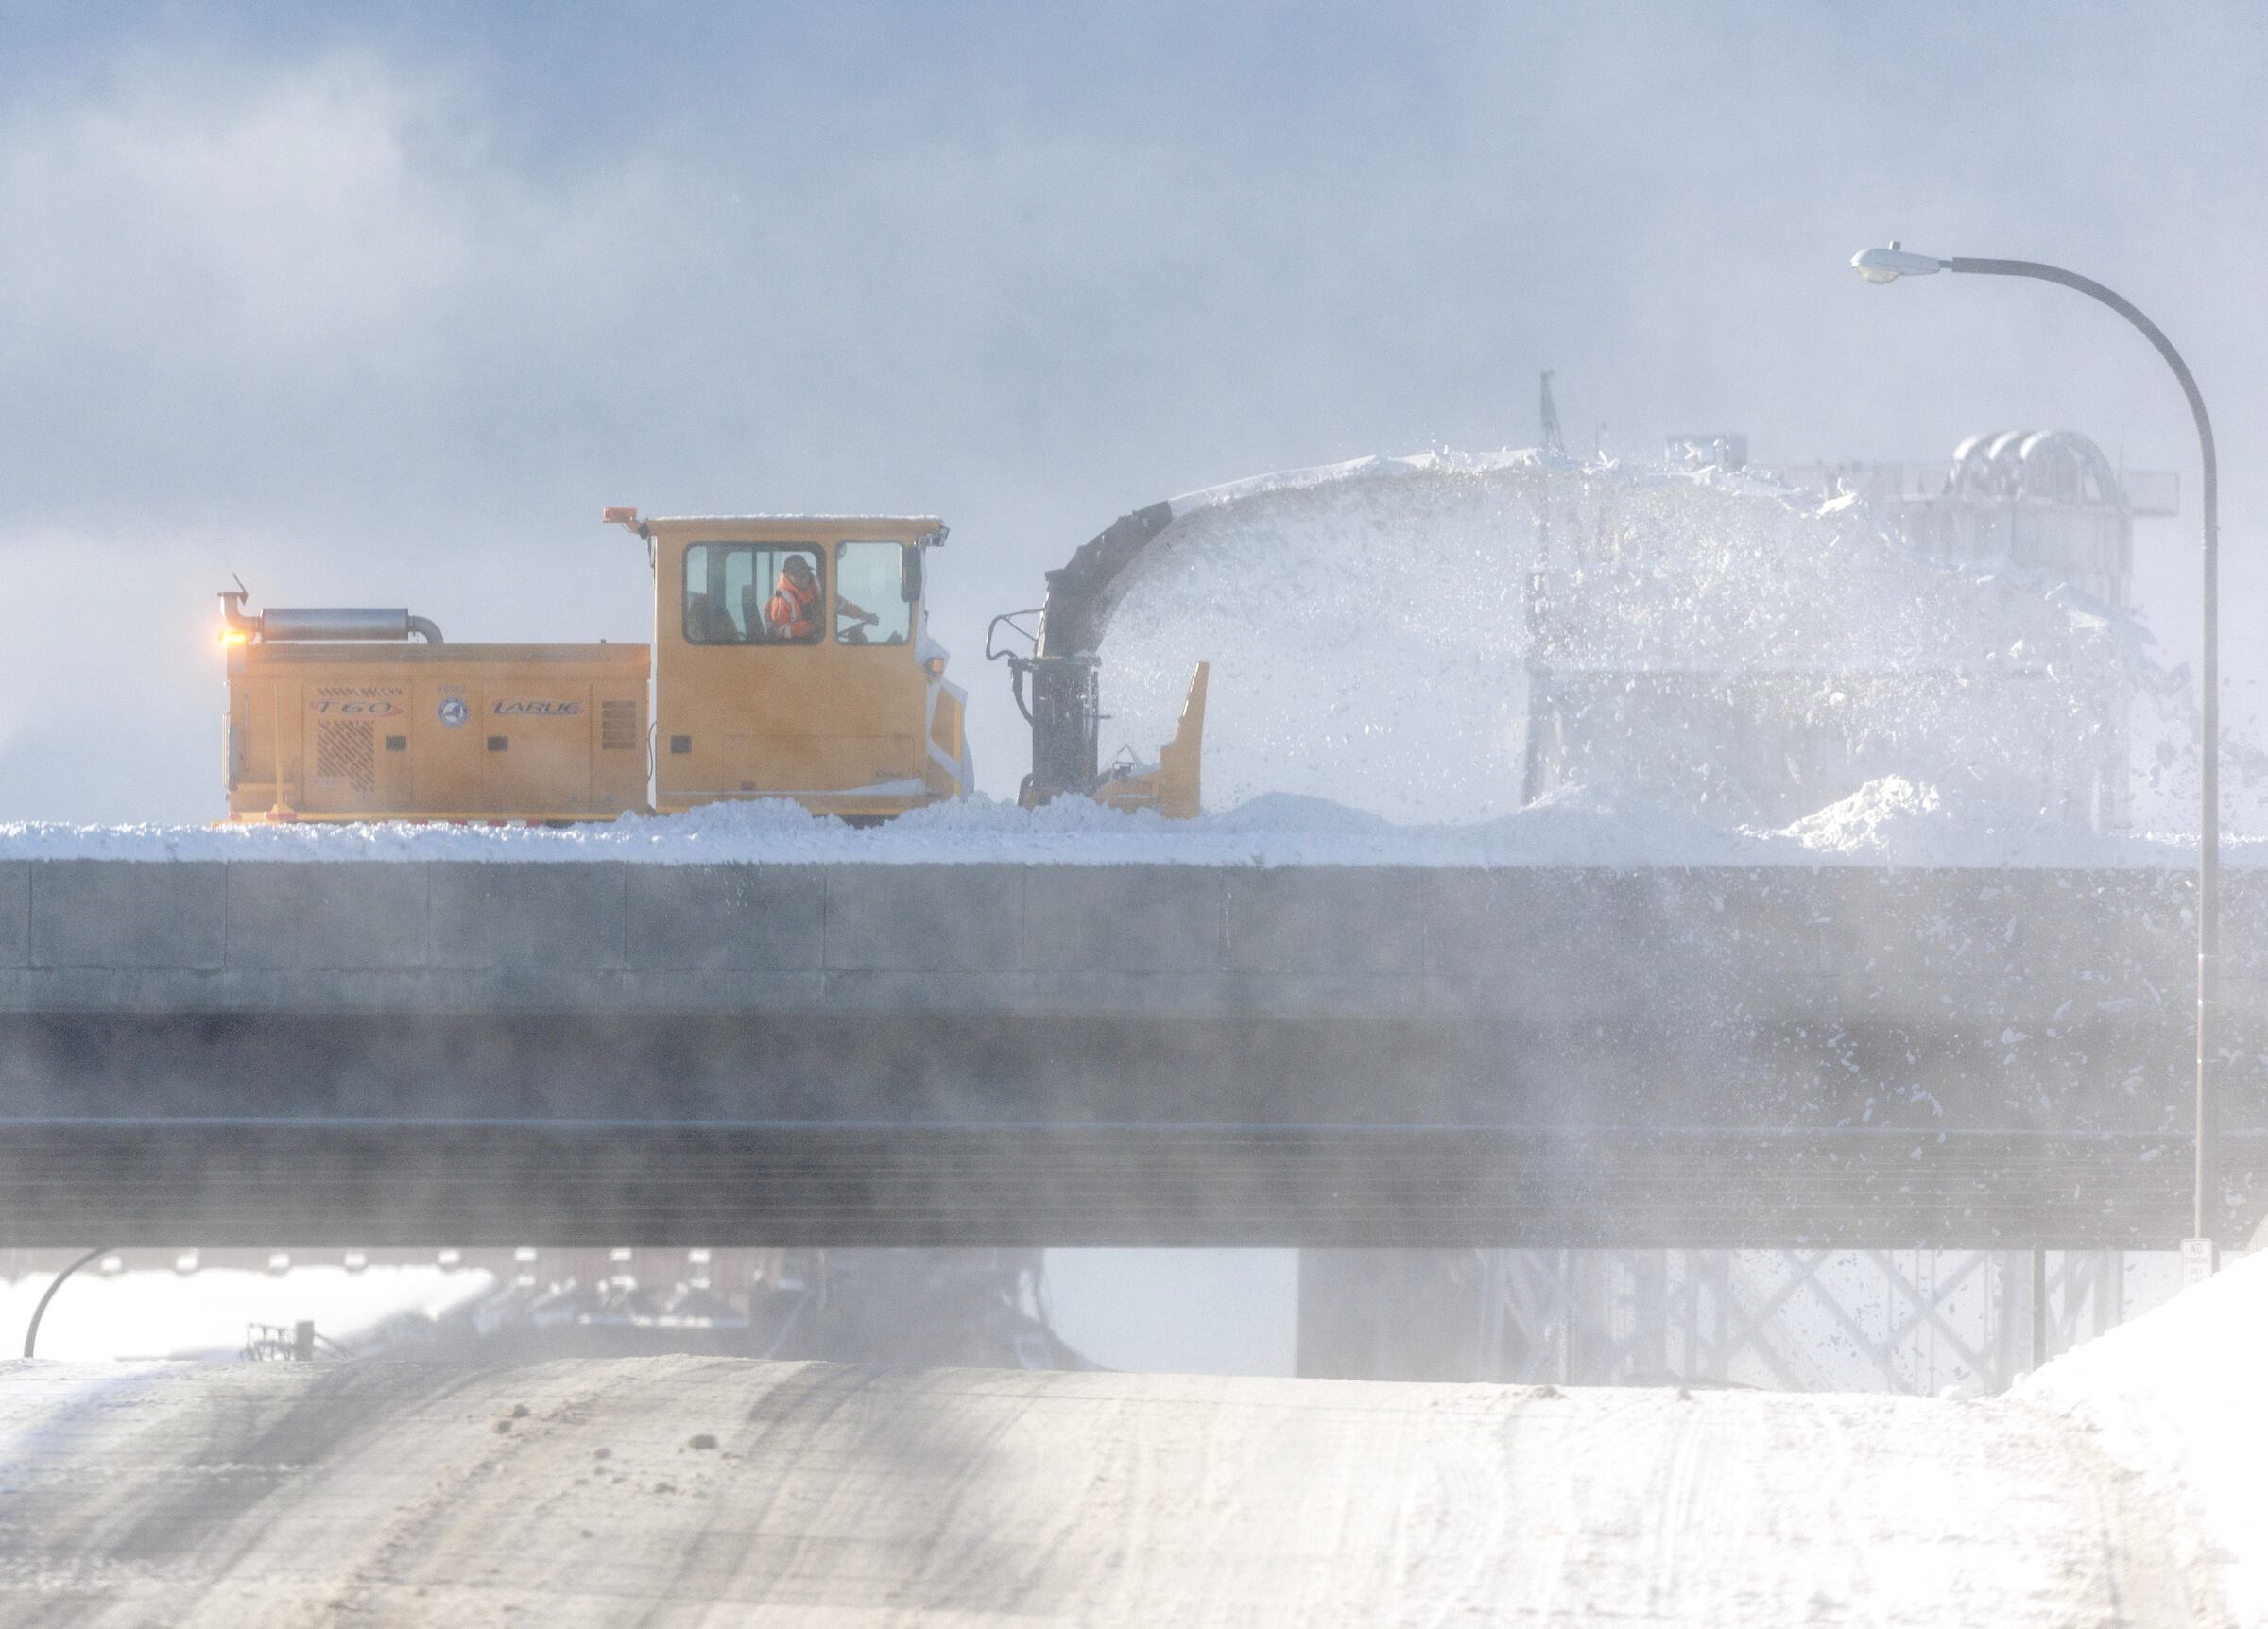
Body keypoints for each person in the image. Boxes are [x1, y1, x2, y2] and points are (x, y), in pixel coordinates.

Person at [765, 555, 876, 642]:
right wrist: (811, 624)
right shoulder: (781, 599)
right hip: (792, 651)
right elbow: (781, 631)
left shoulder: (816, 586)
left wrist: (864, 615)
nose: (804, 578)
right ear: (789, 576)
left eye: (805, 573)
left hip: (813, 641)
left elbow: (841, 605)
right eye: (799, 575)